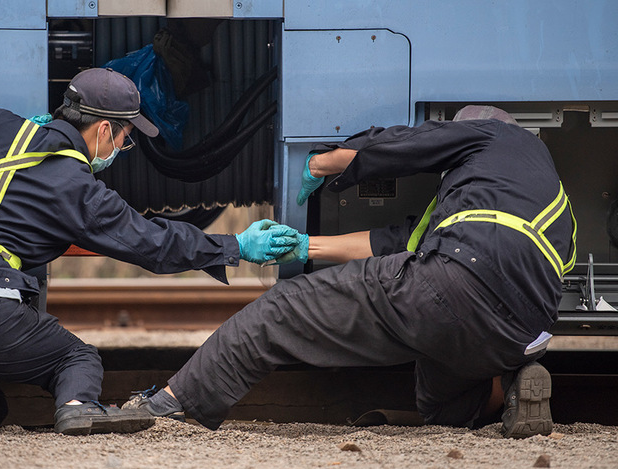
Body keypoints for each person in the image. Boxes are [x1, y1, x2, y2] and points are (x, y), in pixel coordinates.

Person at [0, 68, 297, 435]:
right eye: (125, 140)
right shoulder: (77, 188)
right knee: (78, 356)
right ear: (104, 129)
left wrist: (4, 138)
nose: (122, 150)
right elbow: (153, 243)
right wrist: (235, 245)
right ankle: (76, 405)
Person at [123, 105, 577, 438]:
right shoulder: (547, 201)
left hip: (454, 287)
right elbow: (398, 244)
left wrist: (324, 162)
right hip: (521, 335)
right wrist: (306, 245)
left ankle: (175, 405)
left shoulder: (496, 136)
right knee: (443, 408)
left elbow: (406, 145)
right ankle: (515, 386)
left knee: (282, 309)